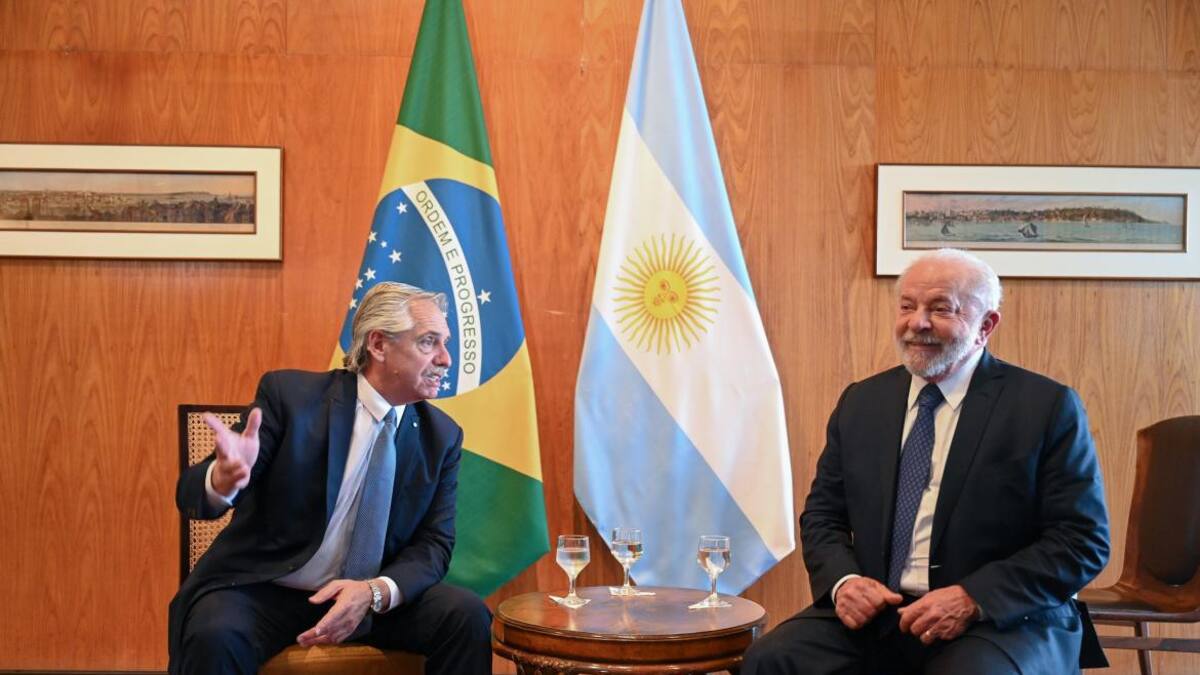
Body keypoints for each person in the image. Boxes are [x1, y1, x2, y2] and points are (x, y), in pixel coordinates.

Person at [743, 248, 1110, 675]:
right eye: (907, 306)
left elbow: (1082, 540)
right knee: (770, 660)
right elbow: (823, 515)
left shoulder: (1045, 406)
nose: (917, 323)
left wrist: (972, 598)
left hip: (999, 618)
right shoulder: (862, 402)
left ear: (986, 325)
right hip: (882, 615)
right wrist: (845, 582)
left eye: (940, 309)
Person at [168, 282, 492, 675]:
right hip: (270, 591)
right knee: (214, 634)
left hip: (369, 599)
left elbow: (434, 545)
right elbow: (190, 495)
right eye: (429, 342)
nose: (446, 358)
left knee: (466, 616)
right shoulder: (292, 398)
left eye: (445, 343)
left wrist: (374, 592)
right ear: (378, 344)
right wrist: (223, 480)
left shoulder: (441, 436)